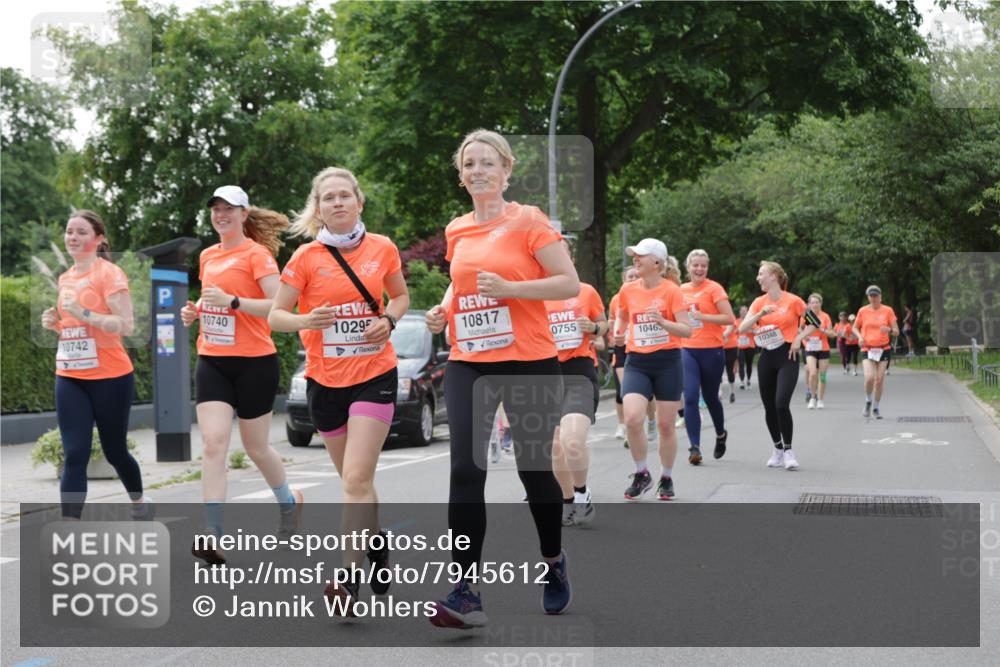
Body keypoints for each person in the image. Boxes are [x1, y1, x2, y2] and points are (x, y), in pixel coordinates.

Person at [424, 130, 578, 627]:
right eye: (469, 164)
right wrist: (444, 309)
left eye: (487, 163)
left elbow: (567, 282)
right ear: (461, 175)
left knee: (535, 471)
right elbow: (460, 280)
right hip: (470, 359)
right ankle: (466, 590)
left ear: (507, 170)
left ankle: (553, 561)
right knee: (467, 470)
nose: (477, 171)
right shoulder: (457, 229)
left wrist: (512, 288)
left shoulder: (528, 220)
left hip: (528, 359)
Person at [269, 167, 409, 614]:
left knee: (354, 479)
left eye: (344, 196)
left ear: (359, 202)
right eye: (328, 198)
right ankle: (376, 537)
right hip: (325, 382)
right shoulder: (305, 258)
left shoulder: (382, 248)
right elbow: (276, 315)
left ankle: (346, 580)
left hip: (374, 374)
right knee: (357, 483)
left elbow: (400, 297)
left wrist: (388, 320)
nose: (337, 203)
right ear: (318, 208)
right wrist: (304, 321)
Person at [181, 186, 301, 565]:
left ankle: (289, 504)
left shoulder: (257, 255)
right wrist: (196, 311)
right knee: (214, 444)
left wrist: (233, 302)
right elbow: (212, 299)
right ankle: (213, 533)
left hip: (255, 362)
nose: (221, 215)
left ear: (244, 213)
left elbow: (278, 307)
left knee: (256, 447)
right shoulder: (207, 256)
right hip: (212, 359)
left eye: (228, 209)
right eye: (216, 209)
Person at [40, 210, 153, 520]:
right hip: (71, 374)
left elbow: (126, 326)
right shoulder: (66, 277)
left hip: (110, 377)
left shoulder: (110, 274)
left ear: (99, 238)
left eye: (81, 232)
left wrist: (84, 312)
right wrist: (57, 324)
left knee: (114, 450)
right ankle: (69, 527)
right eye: (69, 231)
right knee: (74, 453)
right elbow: (75, 326)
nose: (72, 237)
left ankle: (139, 502)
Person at [615, 239, 692, 500]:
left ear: (657, 263)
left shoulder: (672, 291)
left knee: (666, 425)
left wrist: (663, 322)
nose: (636, 259)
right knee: (633, 418)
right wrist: (620, 330)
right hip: (637, 361)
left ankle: (667, 477)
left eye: (641, 256)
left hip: (667, 361)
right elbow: (624, 314)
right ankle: (641, 472)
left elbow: (686, 329)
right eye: (634, 256)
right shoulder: (628, 290)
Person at [545, 238, 607, 527]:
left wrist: (594, 328)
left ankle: (582, 494)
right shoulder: (535, 295)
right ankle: (567, 500)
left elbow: (603, 324)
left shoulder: (585, 291)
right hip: (545, 374)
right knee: (554, 445)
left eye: (561, 253)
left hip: (578, 371)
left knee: (572, 440)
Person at [738, 261, 815, 470]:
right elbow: (742, 328)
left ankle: (789, 451)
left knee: (781, 403)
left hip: (787, 356)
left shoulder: (794, 301)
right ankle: (777, 448)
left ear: (773, 276)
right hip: (767, 357)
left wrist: (799, 338)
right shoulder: (758, 302)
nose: (757, 277)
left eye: (761, 273)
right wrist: (760, 314)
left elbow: (814, 322)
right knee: (769, 406)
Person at [678, 250, 735, 463]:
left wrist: (703, 316)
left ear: (707, 268)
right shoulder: (680, 290)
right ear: (688, 267)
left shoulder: (714, 289)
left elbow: (729, 318)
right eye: (695, 265)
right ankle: (695, 448)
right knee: (691, 396)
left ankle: (721, 434)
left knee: (711, 398)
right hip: (687, 348)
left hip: (712, 350)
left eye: (703, 265)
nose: (699, 269)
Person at [853, 285, 899, 419]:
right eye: (871, 296)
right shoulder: (863, 311)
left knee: (879, 380)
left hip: (883, 348)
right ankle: (868, 400)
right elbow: (855, 328)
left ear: (880, 297)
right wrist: (860, 337)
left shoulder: (888, 311)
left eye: (876, 296)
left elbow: (896, 331)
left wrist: (889, 330)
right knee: (869, 377)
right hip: (867, 348)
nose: (873, 298)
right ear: (868, 297)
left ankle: (876, 407)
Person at [609, 267, 639, 444]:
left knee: (636, 392)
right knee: (624, 389)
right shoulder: (616, 299)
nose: (633, 278)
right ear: (623, 279)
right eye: (630, 276)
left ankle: (647, 421)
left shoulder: (646, 294)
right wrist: (613, 336)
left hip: (638, 348)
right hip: (621, 347)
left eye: (636, 275)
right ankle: (624, 425)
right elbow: (612, 320)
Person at [801, 293, 835, 410]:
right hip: (810, 348)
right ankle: (812, 398)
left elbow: (832, 334)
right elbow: (799, 330)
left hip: (823, 348)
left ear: (820, 303)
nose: (815, 304)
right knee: (813, 373)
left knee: (823, 376)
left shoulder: (825, 316)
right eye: (812, 302)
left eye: (817, 302)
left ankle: (820, 399)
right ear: (809, 304)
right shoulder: (807, 316)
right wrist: (804, 336)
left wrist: (822, 329)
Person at [735, 305, 756, 389]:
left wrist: (745, 330)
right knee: (741, 364)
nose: (743, 312)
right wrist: (747, 330)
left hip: (750, 345)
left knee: (749, 364)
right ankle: (742, 382)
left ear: (747, 312)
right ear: (740, 312)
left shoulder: (751, 321)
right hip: (740, 346)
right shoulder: (736, 321)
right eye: (742, 310)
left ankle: (748, 379)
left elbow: (756, 331)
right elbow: (734, 331)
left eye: (745, 311)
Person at [721, 317, 739, 404]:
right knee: (718, 370)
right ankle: (719, 392)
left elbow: (729, 329)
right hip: (718, 347)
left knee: (729, 370)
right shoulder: (715, 318)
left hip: (731, 347)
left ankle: (732, 391)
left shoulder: (731, 318)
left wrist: (723, 335)